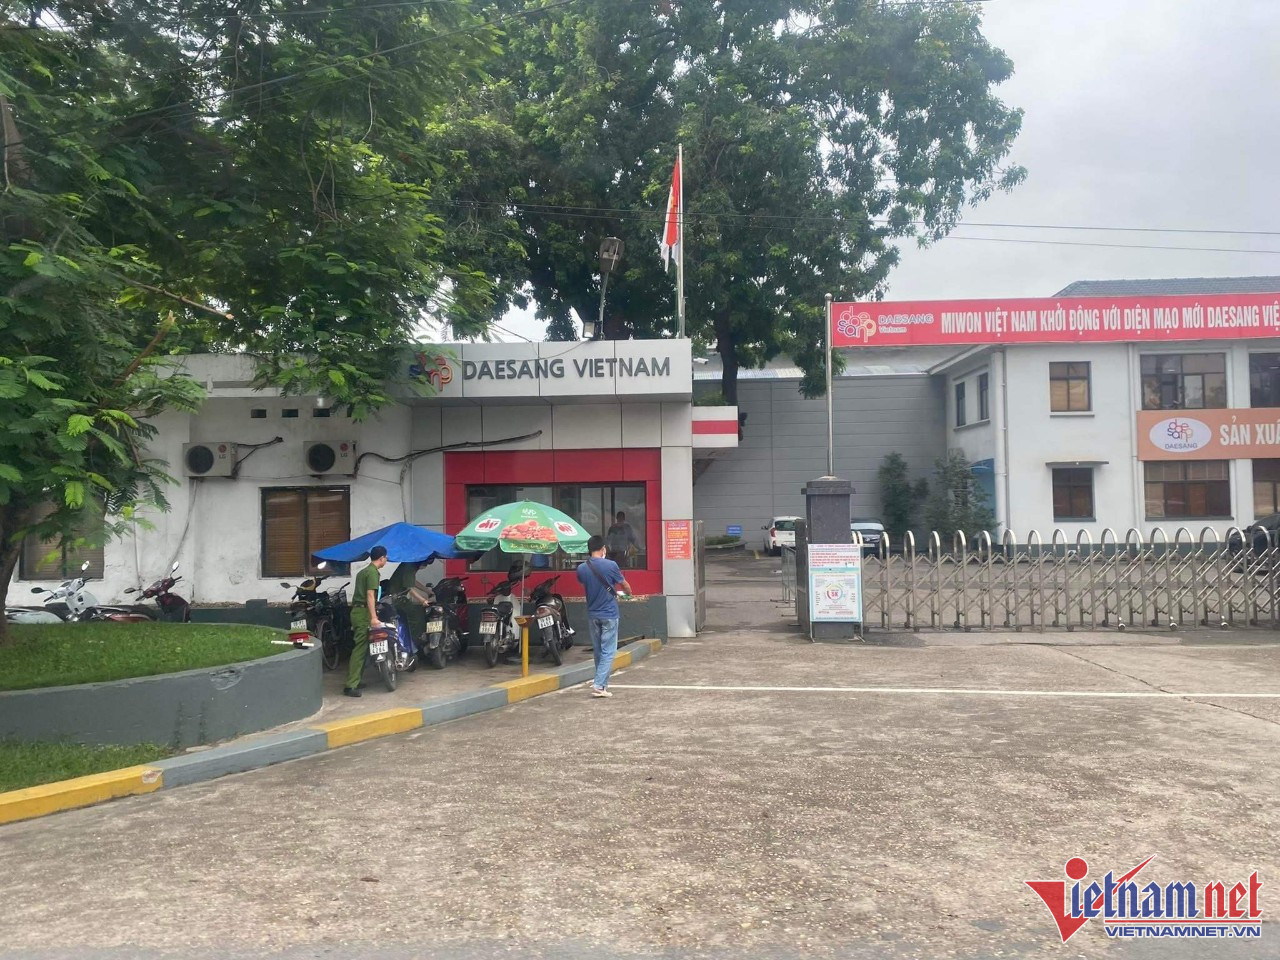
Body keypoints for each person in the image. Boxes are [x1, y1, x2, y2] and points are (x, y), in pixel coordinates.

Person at [576, 534, 633, 699]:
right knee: (608, 651)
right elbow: (625, 585)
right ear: (603, 549)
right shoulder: (611, 565)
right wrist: (628, 593)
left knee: (599, 651)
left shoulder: (582, 568)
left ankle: (602, 684)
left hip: (592, 614)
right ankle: (599, 684)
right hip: (609, 614)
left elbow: (584, 582)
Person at [345, 545, 388, 697]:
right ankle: (350, 685)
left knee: (363, 648)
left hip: (358, 611)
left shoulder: (363, 572)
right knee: (360, 648)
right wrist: (374, 617)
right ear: (382, 558)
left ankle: (356, 680)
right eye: (386, 557)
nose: (386, 560)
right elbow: (370, 595)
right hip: (363, 613)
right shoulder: (372, 573)